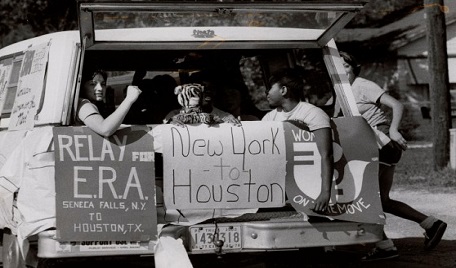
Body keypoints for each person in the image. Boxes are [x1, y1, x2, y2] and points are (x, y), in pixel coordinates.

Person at [339, 51, 447, 261]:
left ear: (353, 68)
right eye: (337, 66)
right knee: (383, 201)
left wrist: (395, 130)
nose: (341, 70)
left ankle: (384, 246)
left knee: (360, 198)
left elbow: (397, 104)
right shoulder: (341, 92)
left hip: (381, 143)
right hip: (374, 147)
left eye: (345, 66)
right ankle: (430, 224)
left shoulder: (362, 85)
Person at [262, 68, 333, 212]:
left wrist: (325, 193)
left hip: (308, 184)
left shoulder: (313, 114)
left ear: (283, 90)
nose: (266, 93)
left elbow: (326, 155)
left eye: (270, 88)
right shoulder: (269, 118)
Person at [77, 69, 142, 136]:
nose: (100, 88)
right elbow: (105, 129)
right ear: (82, 87)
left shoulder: (96, 105)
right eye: (92, 84)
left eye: (103, 84)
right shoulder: (84, 104)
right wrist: (129, 99)